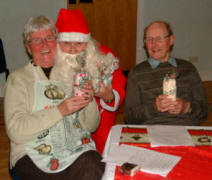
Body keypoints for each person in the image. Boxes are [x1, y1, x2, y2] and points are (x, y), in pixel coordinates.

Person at [4, 15, 105, 180]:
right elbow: (16, 131)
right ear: (28, 47)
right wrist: (60, 110)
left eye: (49, 38)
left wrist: (89, 100)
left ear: (56, 42)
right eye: (37, 40)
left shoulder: (72, 74)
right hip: (32, 153)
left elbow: (91, 126)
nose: (44, 44)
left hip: (74, 148)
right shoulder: (18, 79)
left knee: (93, 165)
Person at [55, 8, 127, 154]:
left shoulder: (105, 57)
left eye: (79, 43)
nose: (73, 49)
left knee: (105, 151)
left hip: (100, 122)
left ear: (88, 43)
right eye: (67, 43)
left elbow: (119, 87)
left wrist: (108, 95)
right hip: (62, 122)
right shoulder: (51, 59)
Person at [125, 21, 209, 125]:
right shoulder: (136, 73)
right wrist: (154, 107)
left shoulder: (188, 69)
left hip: (185, 128)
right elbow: (129, 117)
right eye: (149, 39)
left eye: (159, 39)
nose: (154, 44)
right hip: (152, 130)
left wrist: (186, 107)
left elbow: (205, 110)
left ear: (171, 40)